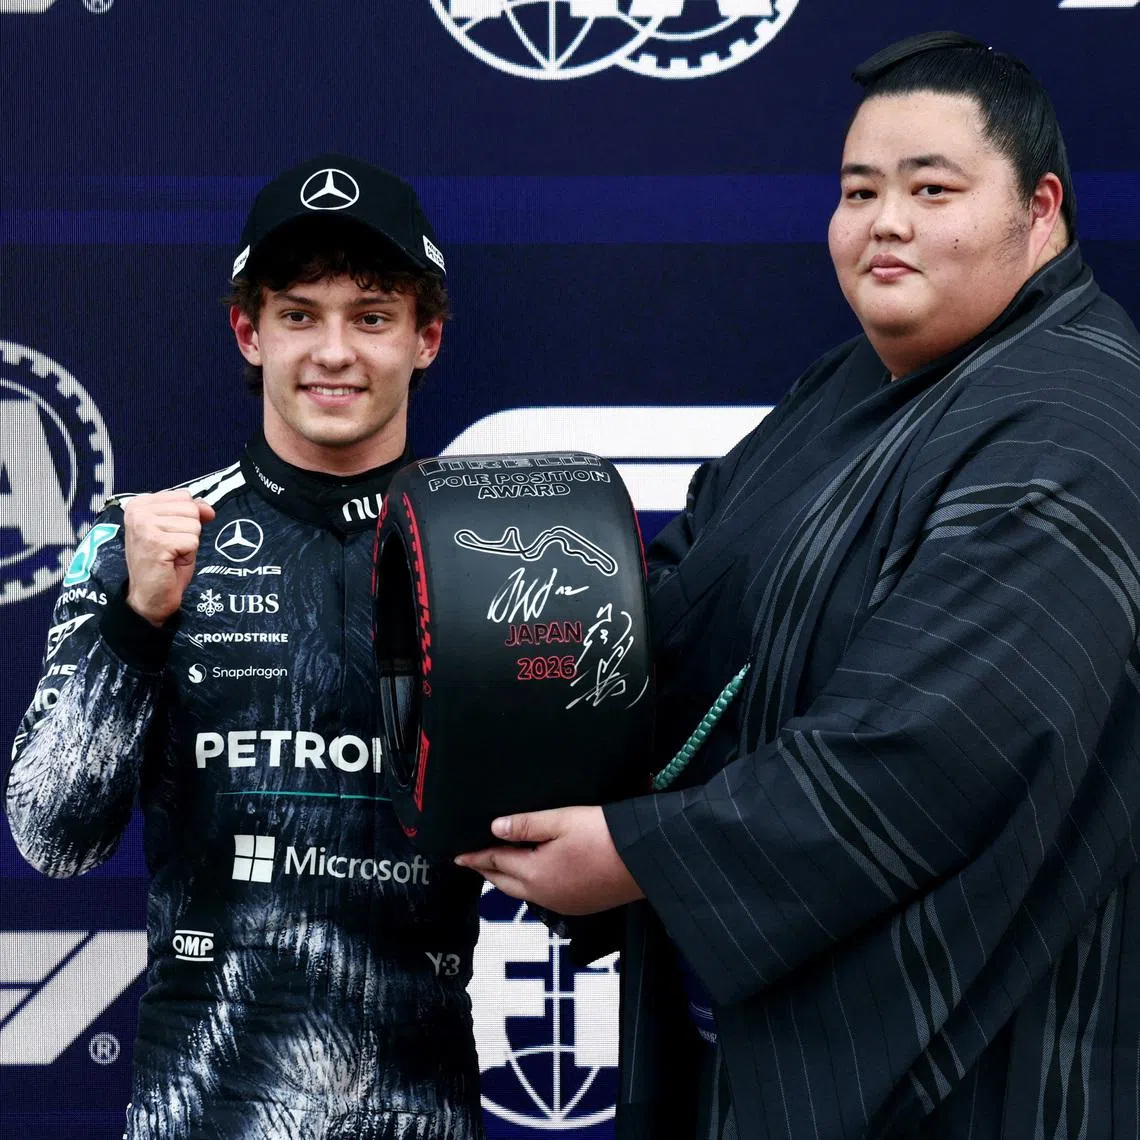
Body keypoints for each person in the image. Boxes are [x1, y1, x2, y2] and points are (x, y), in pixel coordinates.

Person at [457, 31, 1140, 1139]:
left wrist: (636, 856)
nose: (886, 222)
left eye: (932, 188)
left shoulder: (1074, 420)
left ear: (1042, 210)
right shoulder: (856, 384)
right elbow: (680, 592)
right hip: (761, 1045)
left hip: (997, 1063)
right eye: (859, 190)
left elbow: (927, 751)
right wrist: (486, 674)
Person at [6, 155, 485, 1140]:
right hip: (199, 1108)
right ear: (249, 330)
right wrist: (136, 625)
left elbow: (580, 840)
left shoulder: (491, 553)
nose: (334, 352)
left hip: (416, 1107)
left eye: (373, 316)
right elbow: (50, 840)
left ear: (426, 337)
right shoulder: (132, 540)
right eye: (300, 314)